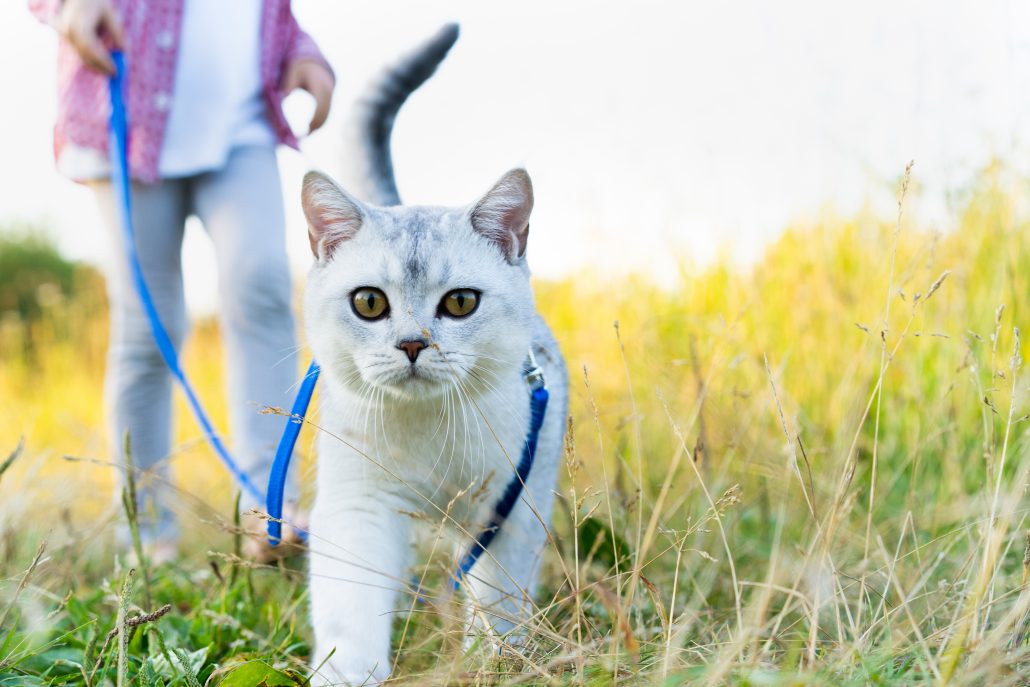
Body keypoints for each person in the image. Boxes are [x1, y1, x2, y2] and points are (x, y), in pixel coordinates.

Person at [29, 0, 334, 561]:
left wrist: (301, 51)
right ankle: (145, 531)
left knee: (262, 286)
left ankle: (269, 509)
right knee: (148, 327)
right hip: (128, 117)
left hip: (241, 122)